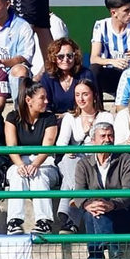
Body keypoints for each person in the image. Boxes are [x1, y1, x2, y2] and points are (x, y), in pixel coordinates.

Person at [67, 115, 130, 259]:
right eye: (103, 136)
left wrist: (111, 204)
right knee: (92, 213)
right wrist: (87, 205)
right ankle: (111, 245)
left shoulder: (125, 160)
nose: (107, 140)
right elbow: (78, 193)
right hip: (95, 213)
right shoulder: (83, 164)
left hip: (123, 214)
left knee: (94, 214)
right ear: (93, 140)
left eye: (110, 136)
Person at [2, 80, 60, 235]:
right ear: (29, 100)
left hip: (45, 162)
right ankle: (14, 221)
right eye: (42, 98)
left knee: (39, 175)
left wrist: (36, 164)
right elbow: (11, 146)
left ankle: (44, 221)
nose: (46, 101)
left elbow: (48, 145)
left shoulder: (49, 118)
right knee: (17, 174)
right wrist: (20, 164)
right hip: (20, 161)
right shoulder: (12, 117)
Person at [53, 78, 103, 230]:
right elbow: (61, 144)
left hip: (94, 160)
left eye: (85, 94)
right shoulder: (70, 117)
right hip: (73, 159)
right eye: (77, 95)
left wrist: (89, 131)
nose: (81, 99)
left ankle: (69, 220)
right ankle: (83, 199)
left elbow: (105, 143)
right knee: (70, 162)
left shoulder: (104, 117)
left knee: (72, 174)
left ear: (94, 95)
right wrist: (69, 150)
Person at [90, 0, 130, 96]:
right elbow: (94, 58)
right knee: (94, 69)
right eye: (126, 10)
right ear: (114, 13)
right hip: (110, 74)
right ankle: (98, 105)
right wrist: (112, 61)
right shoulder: (101, 26)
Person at [38, 38, 93, 114]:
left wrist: (68, 116)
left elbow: (91, 104)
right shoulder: (47, 78)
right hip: (54, 118)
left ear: (75, 56)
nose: (65, 59)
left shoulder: (85, 74)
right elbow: (46, 106)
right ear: (54, 58)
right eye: (61, 56)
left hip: (80, 116)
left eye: (70, 56)